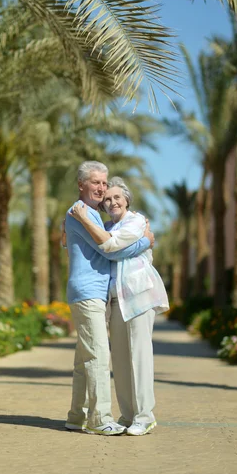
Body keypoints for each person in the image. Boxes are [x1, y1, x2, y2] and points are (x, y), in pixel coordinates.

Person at [70, 177, 169, 436]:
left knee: (139, 356)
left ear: (126, 199)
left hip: (138, 296)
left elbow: (110, 247)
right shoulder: (105, 226)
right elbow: (102, 243)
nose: (112, 201)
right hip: (116, 301)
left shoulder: (136, 221)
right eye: (107, 199)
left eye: (117, 197)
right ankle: (127, 415)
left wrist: (86, 221)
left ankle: (145, 416)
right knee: (121, 361)